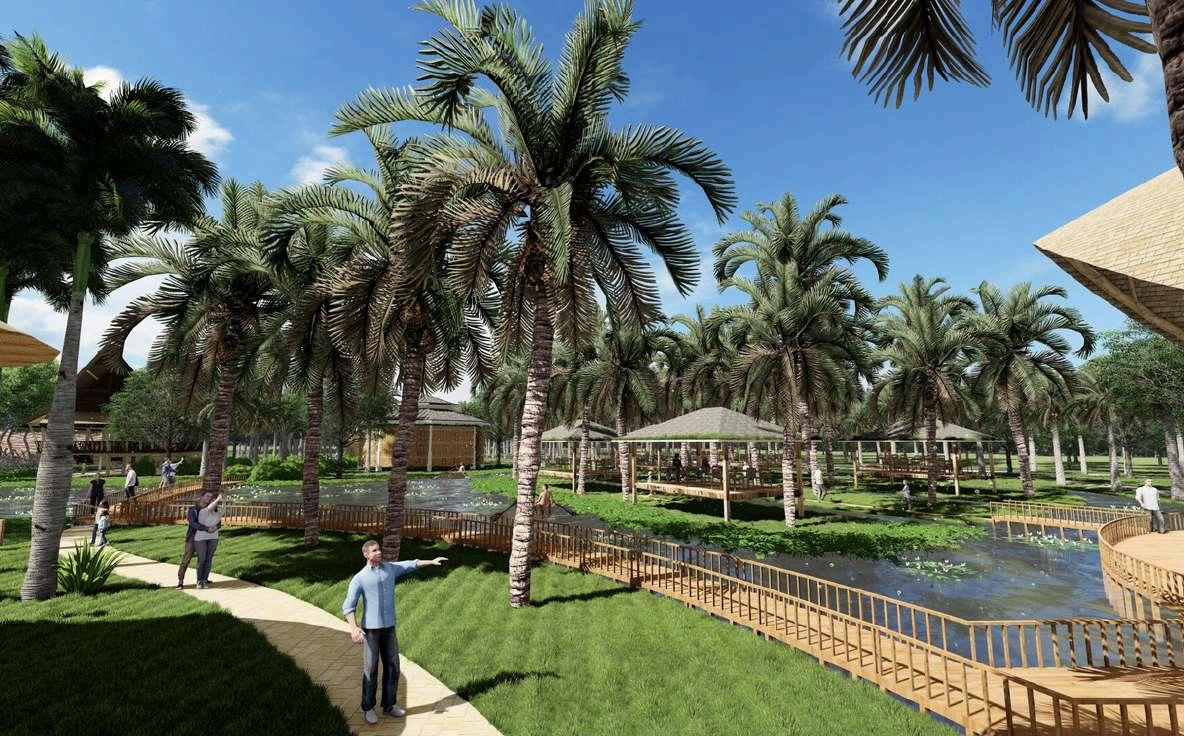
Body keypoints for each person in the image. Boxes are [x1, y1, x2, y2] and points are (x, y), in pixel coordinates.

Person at [342, 541, 447, 724]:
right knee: (371, 670)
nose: (379, 552)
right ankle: (368, 708)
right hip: (371, 631)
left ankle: (389, 705)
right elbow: (348, 607)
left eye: (379, 549)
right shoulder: (360, 578)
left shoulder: (390, 569)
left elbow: (411, 564)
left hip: (389, 628)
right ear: (366, 554)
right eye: (374, 550)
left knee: (393, 666)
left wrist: (431, 561)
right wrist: (353, 628)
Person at [178, 491, 215, 589]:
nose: (209, 498)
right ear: (202, 497)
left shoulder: (210, 510)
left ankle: (203, 579)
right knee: (186, 560)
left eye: (210, 497)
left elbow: (215, 521)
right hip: (192, 538)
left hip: (205, 538)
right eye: (207, 496)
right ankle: (180, 582)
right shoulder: (193, 510)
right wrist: (206, 528)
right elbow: (193, 523)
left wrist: (214, 527)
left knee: (204, 559)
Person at [193, 492, 223, 589]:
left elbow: (220, 520)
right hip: (201, 538)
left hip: (213, 538)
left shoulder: (217, 513)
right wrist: (218, 499)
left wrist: (224, 500)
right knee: (202, 559)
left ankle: (205, 580)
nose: (214, 503)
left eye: (215, 502)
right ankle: (199, 581)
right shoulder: (203, 511)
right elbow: (209, 508)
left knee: (209, 559)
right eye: (212, 501)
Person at [87, 473, 106, 543]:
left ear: (99, 476)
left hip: (100, 493)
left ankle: (102, 541)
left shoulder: (102, 481)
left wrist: (106, 493)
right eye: (95, 476)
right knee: (92, 502)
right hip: (94, 493)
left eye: (98, 476)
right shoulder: (92, 482)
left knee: (99, 503)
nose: (97, 477)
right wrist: (87, 495)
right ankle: (92, 513)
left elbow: (104, 488)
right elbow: (90, 488)